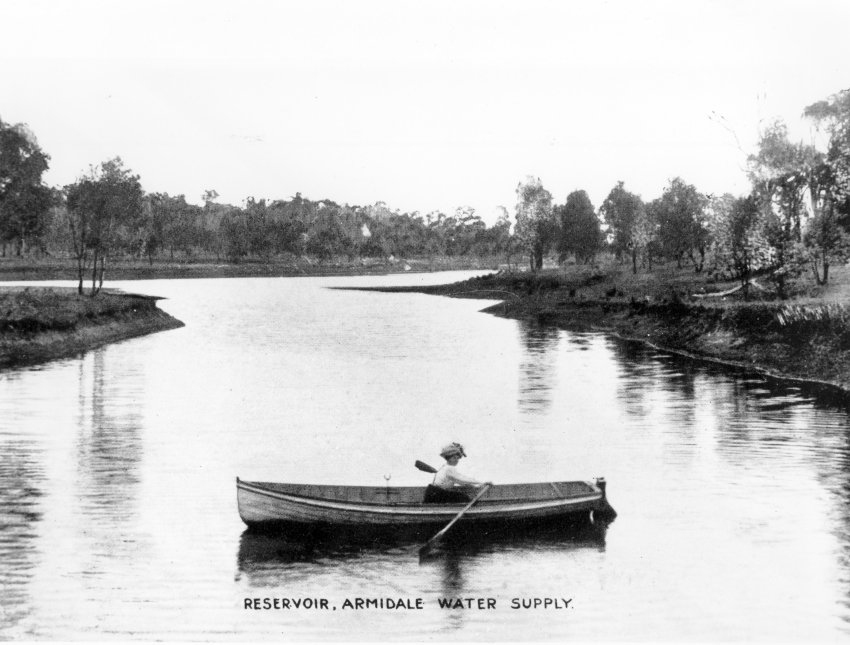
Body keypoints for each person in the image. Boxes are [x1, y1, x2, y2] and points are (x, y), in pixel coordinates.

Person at [423, 442, 492, 504]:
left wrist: (479, 484)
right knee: (463, 497)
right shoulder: (449, 468)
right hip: (436, 495)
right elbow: (461, 479)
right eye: (454, 458)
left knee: (461, 496)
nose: (457, 460)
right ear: (449, 458)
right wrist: (481, 483)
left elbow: (462, 482)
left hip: (432, 494)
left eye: (457, 458)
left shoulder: (444, 467)